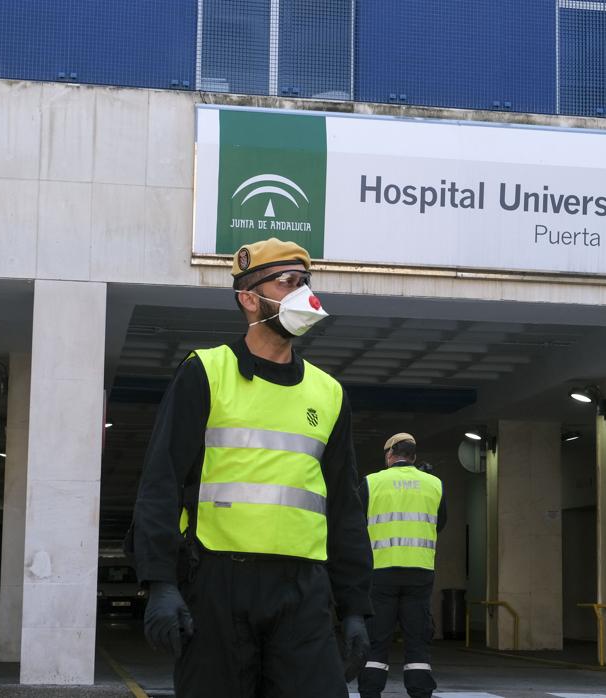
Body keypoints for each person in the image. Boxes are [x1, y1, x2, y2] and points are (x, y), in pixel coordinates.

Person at [129, 238, 372, 697]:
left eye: (305, 282)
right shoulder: (206, 372)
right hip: (219, 585)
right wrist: (160, 583)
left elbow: (344, 507)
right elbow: (160, 482)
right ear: (248, 298)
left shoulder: (329, 393)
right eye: (287, 282)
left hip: (302, 591)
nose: (302, 294)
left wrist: (356, 607)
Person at [357, 433, 447, 698]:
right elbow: (439, 524)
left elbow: (356, 526)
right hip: (420, 573)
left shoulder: (371, 483)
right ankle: (420, 692)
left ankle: (370, 692)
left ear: (389, 455)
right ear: (414, 456)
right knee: (417, 641)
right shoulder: (434, 484)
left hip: (381, 573)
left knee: (377, 641)